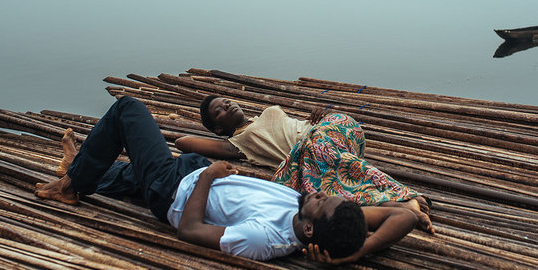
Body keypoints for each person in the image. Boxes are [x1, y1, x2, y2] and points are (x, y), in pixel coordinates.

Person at [35, 96, 420, 263]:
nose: (317, 192)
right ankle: (79, 170)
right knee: (132, 172)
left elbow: (189, 230)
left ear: (307, 227)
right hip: (190, 174)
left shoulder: (265, 237)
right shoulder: (320, 219)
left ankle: (71, 186)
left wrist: (209, 177)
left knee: (128, 110)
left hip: (173, 190)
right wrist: (359, 250)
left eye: (321, 201)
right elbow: (407, 216)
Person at [176, 96, 433, 232]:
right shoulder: (237, 144)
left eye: (226, 101)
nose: (228, 104)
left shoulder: (259, 117)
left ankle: (397, 198)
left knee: (314, 148)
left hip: (335, 130)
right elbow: (182, 141)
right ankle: (402, 202)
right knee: (317, 172)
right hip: (320, 154)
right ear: (219, 127)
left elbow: (298, 129)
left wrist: (317, 117)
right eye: (220, 110)